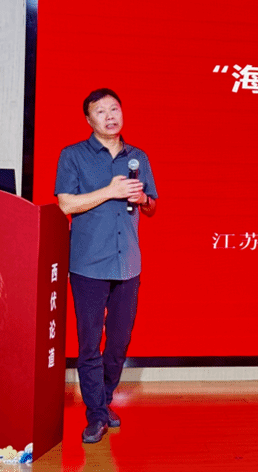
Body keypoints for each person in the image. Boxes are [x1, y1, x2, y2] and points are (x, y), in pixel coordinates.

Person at [54, 88, 158, 444]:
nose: (110, 116)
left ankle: (104, 398)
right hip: (88, 265)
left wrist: (142, 198)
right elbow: (66, 204)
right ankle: (97, 415)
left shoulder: (138, 156)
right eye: (101, 111)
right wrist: (110, 191)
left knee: (119, 343)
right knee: (89, 344)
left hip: (128, 263)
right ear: (89, 119)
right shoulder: (73, 155)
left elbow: (152, 206)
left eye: (115, 109)